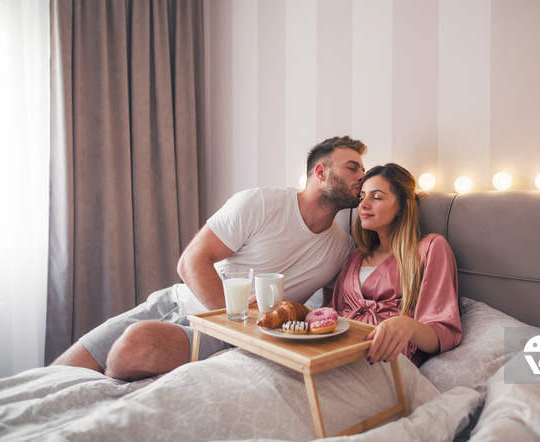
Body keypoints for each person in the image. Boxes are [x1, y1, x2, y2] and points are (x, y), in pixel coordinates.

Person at [52, 136, 367, 381]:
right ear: (320, 172)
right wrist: (232, 315)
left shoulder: (341, 249)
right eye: (353, 167)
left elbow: (328, 313)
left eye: (364, 171)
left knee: (133, 349)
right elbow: (191, 260)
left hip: (221, 338)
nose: (362, 177)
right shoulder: (260, 203)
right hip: (177, 303)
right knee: (57, 374)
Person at [330, 163, 462, 367]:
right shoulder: (357, 256)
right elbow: (333, 314)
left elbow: (443, 334)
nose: (363, 205)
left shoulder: (430, 248)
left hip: (386, 360)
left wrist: (409, 325)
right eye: (362, 196)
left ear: (401, 206)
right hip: (336, 352)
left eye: (377, 197)